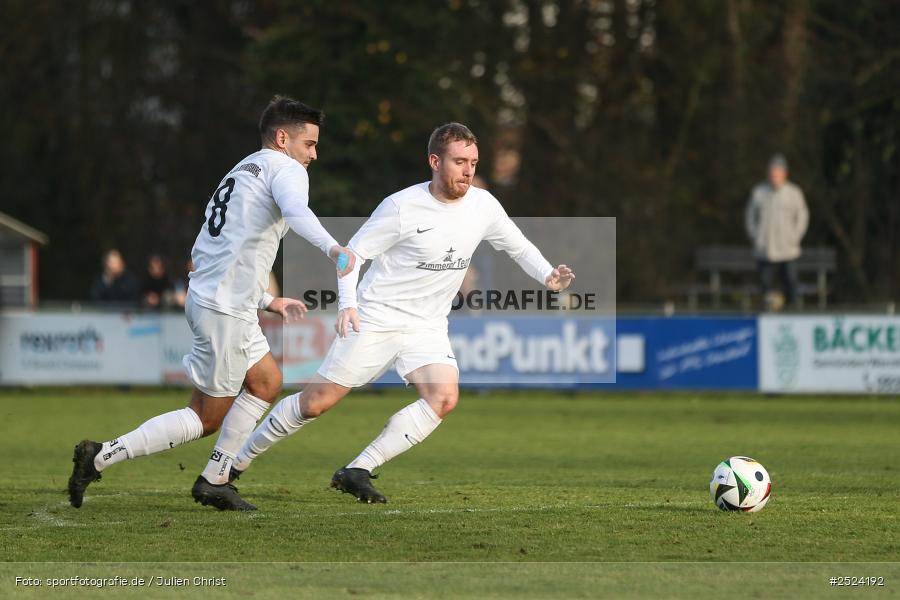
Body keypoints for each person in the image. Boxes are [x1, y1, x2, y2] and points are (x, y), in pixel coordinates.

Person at [227, 123, 575, 505]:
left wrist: (547, 275)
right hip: (376, 318)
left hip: (427, 326)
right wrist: (348, 305)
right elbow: (351, 255)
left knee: (443, 397)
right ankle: (234, 463)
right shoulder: (401, 207)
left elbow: (518, 246)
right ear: (434, 161)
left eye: (473, 162)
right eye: (459, 162)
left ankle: (357, 470)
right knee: (314, 404)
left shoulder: (483, 206)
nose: (468, 171)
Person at [67, 95, 355, 510]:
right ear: (282, 138)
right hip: (224, 310)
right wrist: (334, 249)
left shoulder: (242, 169)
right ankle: (101, 455)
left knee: (266, 382)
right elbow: (296, 212)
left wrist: (267, 300)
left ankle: (216, 479)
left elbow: (225, 248)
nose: (314, 153)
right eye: (309, 143)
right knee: (205, 417)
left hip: (216, 299)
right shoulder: (285, 168)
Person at [745, 154, 809, 310]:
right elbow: (749, 216)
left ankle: (792, 311)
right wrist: (756, 236)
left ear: (784, 174)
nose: (774, 177)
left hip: (788, 249)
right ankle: (768, 313)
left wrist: (794, 237)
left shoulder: (794, 193)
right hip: (765, 249)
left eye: (778, 173)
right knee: (765, 284)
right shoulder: (759, 192)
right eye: (772, 173)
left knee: (791, 282)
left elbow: (802, 216)